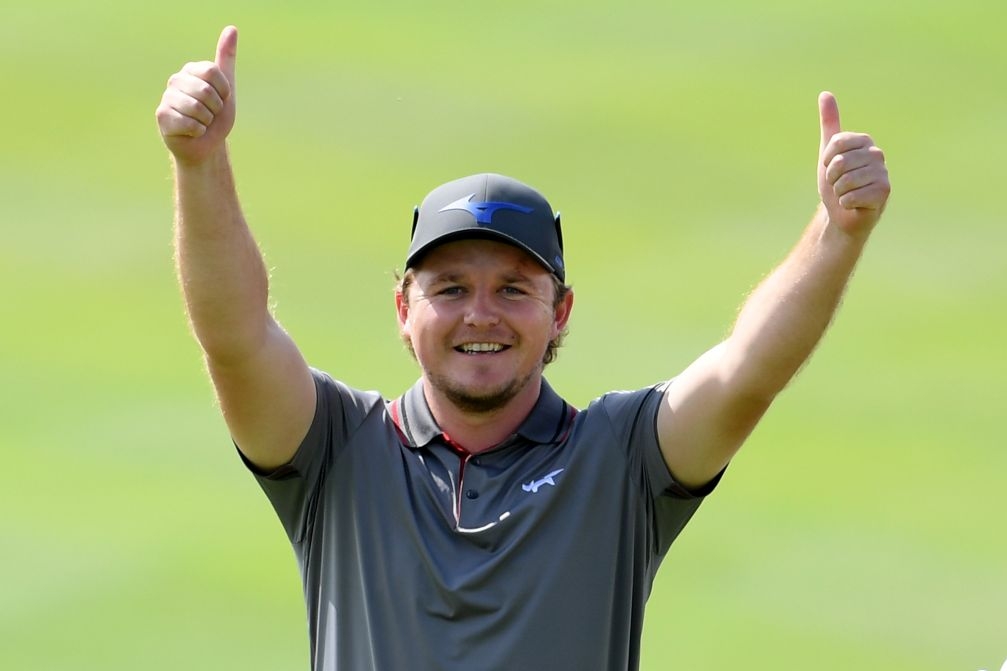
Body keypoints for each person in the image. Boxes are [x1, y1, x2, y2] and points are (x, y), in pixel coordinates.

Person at [155, 25, 890, 671]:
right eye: (449, 288)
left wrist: (837, 234)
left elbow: (747, 369)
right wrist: (200, 164)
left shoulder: (621, 457)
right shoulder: (335, 449)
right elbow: (236, 337)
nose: (481, 314)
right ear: (403, 308)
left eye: (513, 288)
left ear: (559, 312)